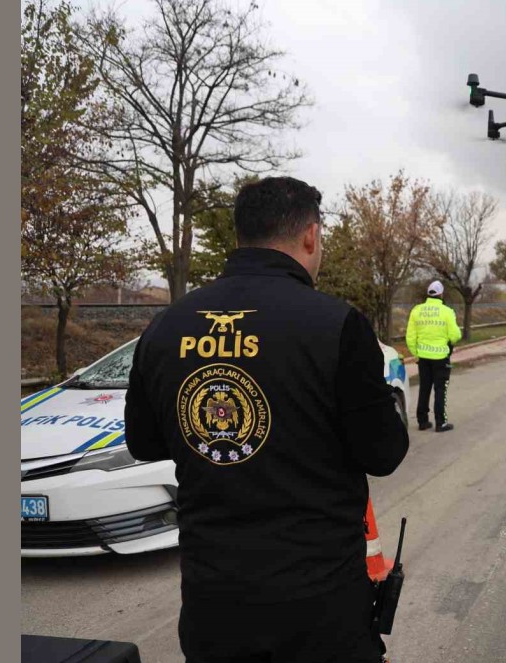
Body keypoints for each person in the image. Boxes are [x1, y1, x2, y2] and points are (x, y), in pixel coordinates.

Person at [124, 176, 409, 663]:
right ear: (311, 236)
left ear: (240, 236)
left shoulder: (168, 325)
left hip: (213, 605)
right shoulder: (337, 324)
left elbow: (145, 442)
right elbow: (383, 453)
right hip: (320, 608)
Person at [405, 280, 462, 433]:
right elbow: (455, 335)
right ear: (441, 294)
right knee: (440, 389)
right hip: (441, 358)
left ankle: (422, 421)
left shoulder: (416, 311)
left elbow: (410, 337)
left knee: (424, 388)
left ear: (428, 294)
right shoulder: (447, 312)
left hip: (423, 357)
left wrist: (416, 354)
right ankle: (440, 423)